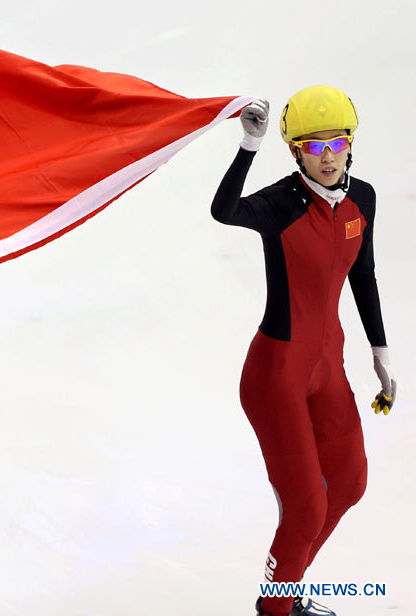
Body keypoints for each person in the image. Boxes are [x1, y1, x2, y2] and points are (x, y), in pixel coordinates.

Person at [211, 87, 396, 616]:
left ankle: (286, 591)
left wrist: (380, 352)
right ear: (295, 152)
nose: (330, 155)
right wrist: (248, 145)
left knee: (350, 483)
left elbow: (364, 273)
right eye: (315, 147)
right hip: (277, 376)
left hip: (327, 365)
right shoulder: (279, 205)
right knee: (307, 508)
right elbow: (224, 211)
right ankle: (276, 610)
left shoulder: (364, 198)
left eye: (338, 141)